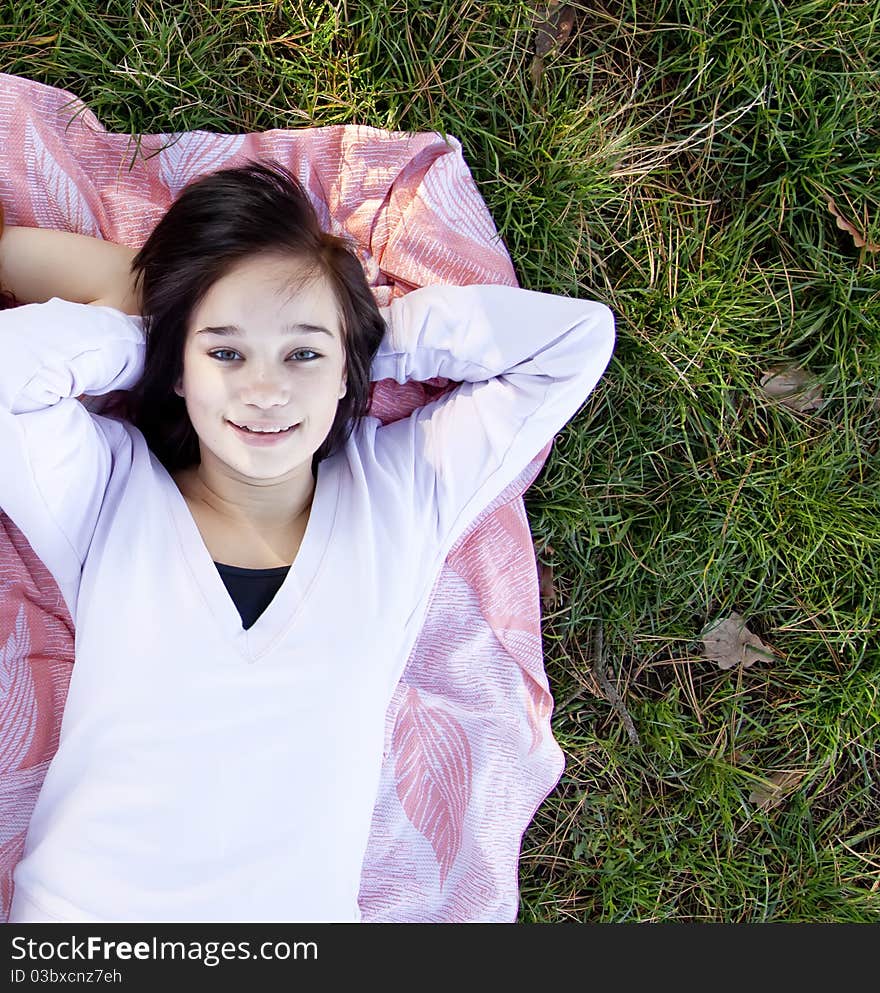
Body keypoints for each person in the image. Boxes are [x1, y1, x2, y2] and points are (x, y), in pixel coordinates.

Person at [0, 161, 615, 923]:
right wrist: (156, 331)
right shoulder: (106, 494)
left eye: (302, 355)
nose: (265, 391)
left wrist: (355, 348)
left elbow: (574, 341)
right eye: (227, 353)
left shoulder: (402, 495)